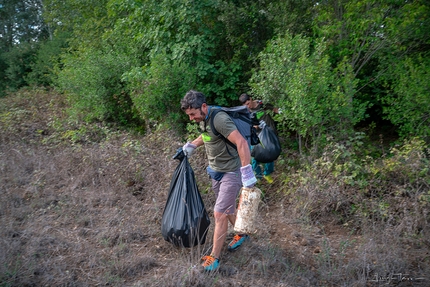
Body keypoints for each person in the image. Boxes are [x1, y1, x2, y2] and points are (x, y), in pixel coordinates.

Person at [180, 90, 257, 271]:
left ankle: (214, 258)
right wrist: (192, 145)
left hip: (232, 172)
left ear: (204, 107)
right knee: (227, 207)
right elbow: (207, 136)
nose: (191, 118)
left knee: (219, 213)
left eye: (193, 114)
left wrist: (246, 171)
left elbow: (241, 143)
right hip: (216, 172)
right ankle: (242, 233)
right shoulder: (203, 120)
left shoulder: (219, 119)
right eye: (189, 115)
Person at [239, 93, 279, 184]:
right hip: (256, 136)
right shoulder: (246, 111)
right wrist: (256, 126)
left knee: (271, 153)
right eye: (245, 105)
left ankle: (267, 173)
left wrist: (283, 111)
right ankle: (258, 176)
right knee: (255, 156)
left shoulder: (262, 104)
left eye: (248, 103)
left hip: (269, 133)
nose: (247, 106)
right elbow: (247, 124)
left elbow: (273, 109)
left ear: (251, 99)